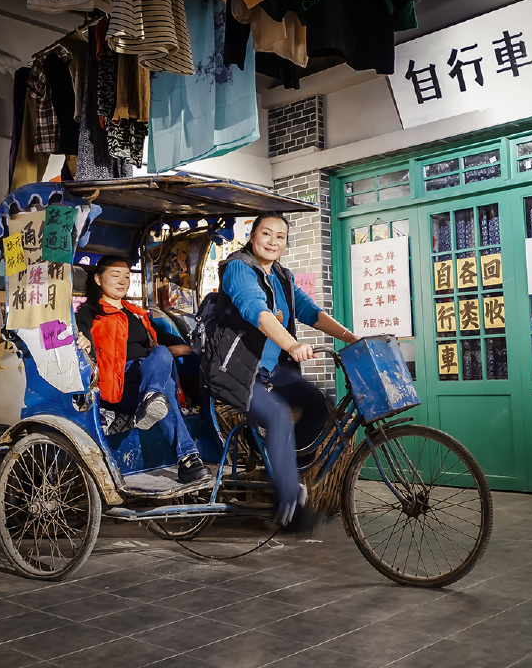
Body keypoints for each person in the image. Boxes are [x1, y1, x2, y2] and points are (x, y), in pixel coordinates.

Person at [202, 212, 357, 526]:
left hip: (272, 371)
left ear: (286, 242)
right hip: (236, 371)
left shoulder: (282, 276)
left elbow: (310, 311)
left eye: (280, 236)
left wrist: (351, 337)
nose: (273, 241)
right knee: (278, 418)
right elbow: (256, 311)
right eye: (266, 233)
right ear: (253, 235)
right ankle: (288, 507)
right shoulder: (238, 269)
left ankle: (283, 459)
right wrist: (291, 345)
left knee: (319, 405)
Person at [75, 256, 210, 484]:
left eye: (127, 276)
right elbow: (80, 334)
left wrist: (200, 348)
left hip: (148, 376)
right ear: (98, 279)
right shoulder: (90, 312)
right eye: (115, 275)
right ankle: (188, 459)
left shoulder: (137, 313)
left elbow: (168, 341)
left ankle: (152, 397)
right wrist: (83, 340)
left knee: (161, 354)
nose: (122, 281)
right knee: (164, 383)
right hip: (118, 385)